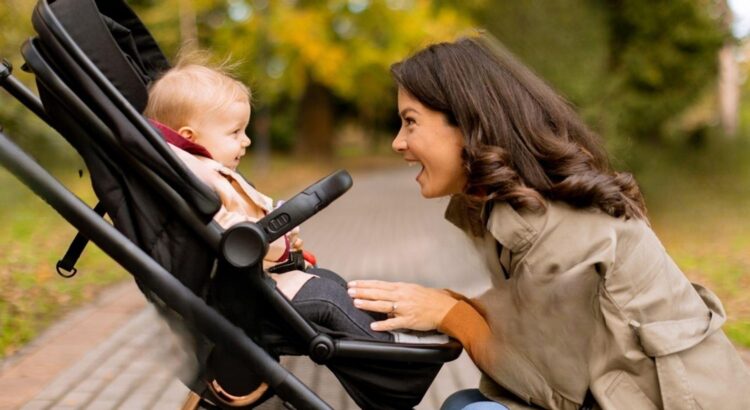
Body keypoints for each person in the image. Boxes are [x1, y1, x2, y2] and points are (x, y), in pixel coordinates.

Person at [348, 35, 750, 409]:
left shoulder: (559, 225)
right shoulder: (505, 204)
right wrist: (450, 303)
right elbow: (536, 320)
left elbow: (554, 391)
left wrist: (450, 314)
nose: (398, 142)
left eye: (411, 121)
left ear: (467, 123)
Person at [142, 55, 393, 342]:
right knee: (327, 299)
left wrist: (282, 223)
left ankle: (384, 338)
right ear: (191, 136)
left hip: (259, 277)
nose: (246, 140)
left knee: (332, 283)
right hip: (244, 293)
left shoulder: (206, 172)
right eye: (235, 132)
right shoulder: (196, 178)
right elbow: (233, 233)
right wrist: (280, 242)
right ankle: (391, 353)